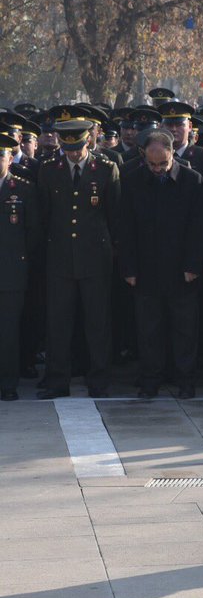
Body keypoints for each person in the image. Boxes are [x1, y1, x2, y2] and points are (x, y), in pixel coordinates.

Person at [118, 131, 203, 399]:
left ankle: (185, 380)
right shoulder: (133, 180)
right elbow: (126, 229)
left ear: (172, 155)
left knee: (184, 330)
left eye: (163, 164)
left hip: (182, 270)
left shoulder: (192, 180)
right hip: (146, 270)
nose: (157, 170)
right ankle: (150, 380)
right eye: (152, 164)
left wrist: (193, 264)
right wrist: (129, 269)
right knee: (148, 330)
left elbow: (198, 228)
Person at [36, 119, 121, 398]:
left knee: (98, 322)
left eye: (78, 147)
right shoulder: (49, 171)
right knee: (57, 322)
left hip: (95, 258)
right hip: (60, 258)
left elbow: (114, 216)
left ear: (88, 141)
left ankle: (99, 381)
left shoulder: (106, 170)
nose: (73, 154)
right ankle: (57, 380)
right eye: (68, 148)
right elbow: (44, 216)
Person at [0, 134, 39, 401]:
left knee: (8, 331)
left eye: (0, 156)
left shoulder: (22, 189)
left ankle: (8, 384)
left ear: (9, 159)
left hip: (11, 272)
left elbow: (33, 233)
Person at [160, 102, 203, 180]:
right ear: (161, 127)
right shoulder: (154, 156)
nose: (174, 129)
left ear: (190, 126)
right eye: (169, 125)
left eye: (179, 125)